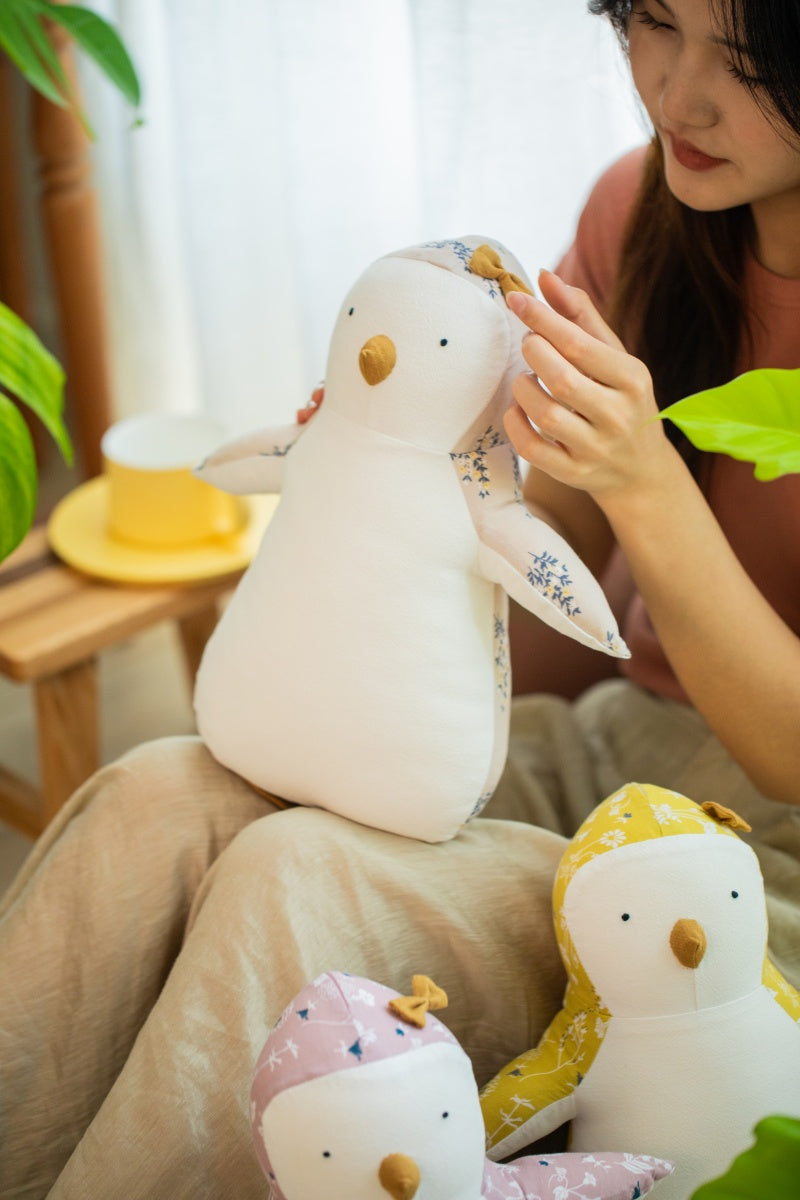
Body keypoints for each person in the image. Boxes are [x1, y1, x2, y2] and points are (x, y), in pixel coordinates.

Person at [2, 1, 799, 1196]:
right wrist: (393, 498)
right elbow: (540, 579)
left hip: (751, 873)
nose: (676, 94)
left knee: (292, 874)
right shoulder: (646, 212)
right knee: (155, 800)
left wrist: (647, 486)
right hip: (597, 752)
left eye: (739, 60)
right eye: (650, 20)